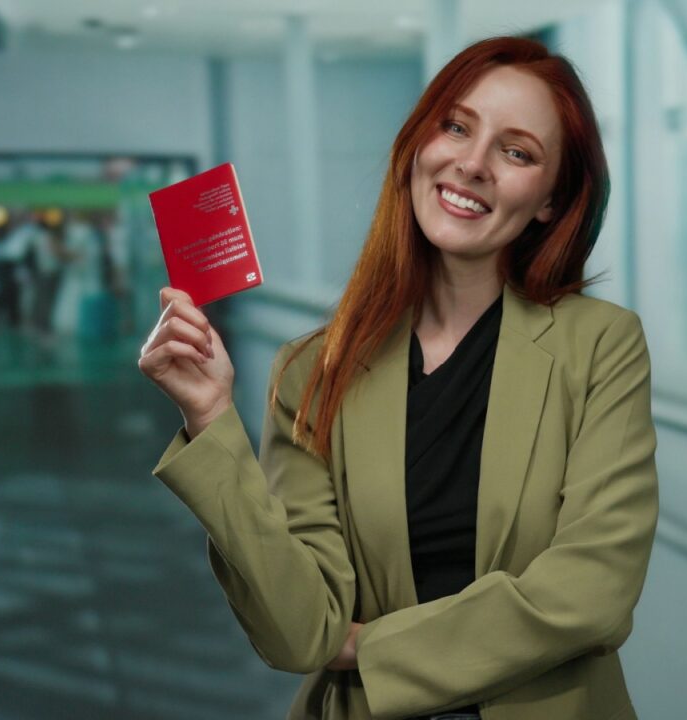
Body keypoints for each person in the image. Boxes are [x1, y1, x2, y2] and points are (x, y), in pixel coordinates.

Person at [139, 37, 658, 720]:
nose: (471, 164)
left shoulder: (601, 347)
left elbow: (593, 593)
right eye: (456, 126)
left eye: (516, 151)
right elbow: (298, 631)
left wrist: (367, 648)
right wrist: (211, 419)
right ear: (418, 144)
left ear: (550, 203)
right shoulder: (312, 372)